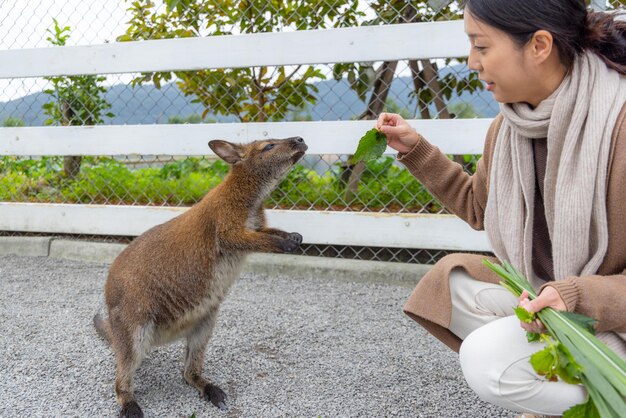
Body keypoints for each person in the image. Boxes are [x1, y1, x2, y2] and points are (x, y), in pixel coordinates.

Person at [376, 0, 626, 417]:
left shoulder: (617, 123)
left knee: (487, 361)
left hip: (606, 306)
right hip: (554, 296)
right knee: (452, 285)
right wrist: (416, 151)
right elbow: (479, 207)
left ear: (539, 45)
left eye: (482, 46)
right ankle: (569, 380)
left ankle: (600, 394)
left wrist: (578, 296)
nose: (472, 62)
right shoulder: (511, 126)